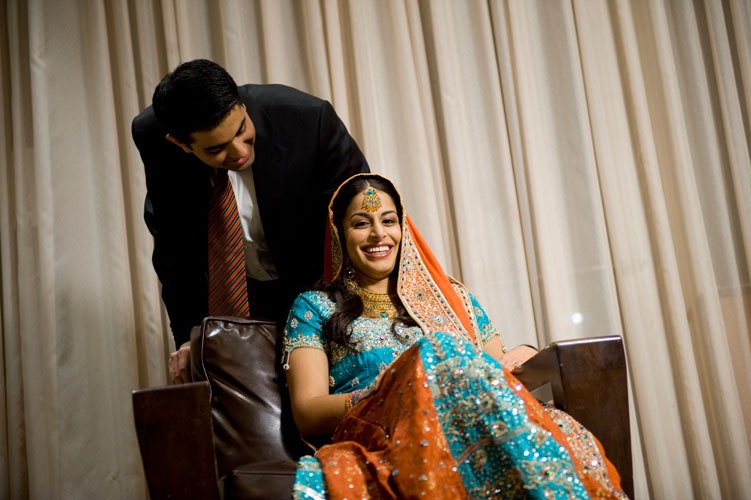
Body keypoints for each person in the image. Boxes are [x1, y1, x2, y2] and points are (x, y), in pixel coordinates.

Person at [282, 174, 627, 498]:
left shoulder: (451, 298)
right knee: (437, 349)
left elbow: (494, 369)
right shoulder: (315, 307)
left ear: (403, 227)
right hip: (379, 433)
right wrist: (387, 389)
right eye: (361, 223)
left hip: (462, 427)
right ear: (339, 235)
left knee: (560, 425)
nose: (378, 234)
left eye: (388, 221)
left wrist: (525, 351)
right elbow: (308, 412)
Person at [131, 59, 369, 383]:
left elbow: (361, 220)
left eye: (242, 129)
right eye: (216, 148)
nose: (239, 151)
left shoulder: (308, 119)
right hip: (236, 302)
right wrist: (188, 335)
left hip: (318, 289)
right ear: (180, 143)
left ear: (241, 104)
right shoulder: (153, 136)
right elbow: (174, 245)